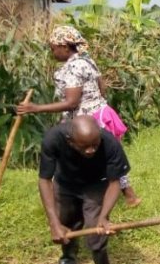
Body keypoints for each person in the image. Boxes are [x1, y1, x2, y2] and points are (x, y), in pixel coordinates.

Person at [16, 25, 141, 207]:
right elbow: (102, 87)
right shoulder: (86, 60)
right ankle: (129, 196)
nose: (53, 52)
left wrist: (35, 108)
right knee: (110, 158)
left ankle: (81, 198)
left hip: (87, 121)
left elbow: (71, 102)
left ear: (65, 47)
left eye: (54, 48)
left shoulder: (74, 67)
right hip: (100, 112)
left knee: (97, 159)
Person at [38, 116, 130, 264]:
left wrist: (103, 216)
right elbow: (44, 180)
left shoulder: (109, 143)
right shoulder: (53, 139)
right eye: (84, 146)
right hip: (65, 183)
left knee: (96, 229)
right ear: (70, 141)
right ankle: (68, 260)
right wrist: (54, 223)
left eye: (95, 145)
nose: (91, 150)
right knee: (66, 222)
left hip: (96, 184)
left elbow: (115, 183)